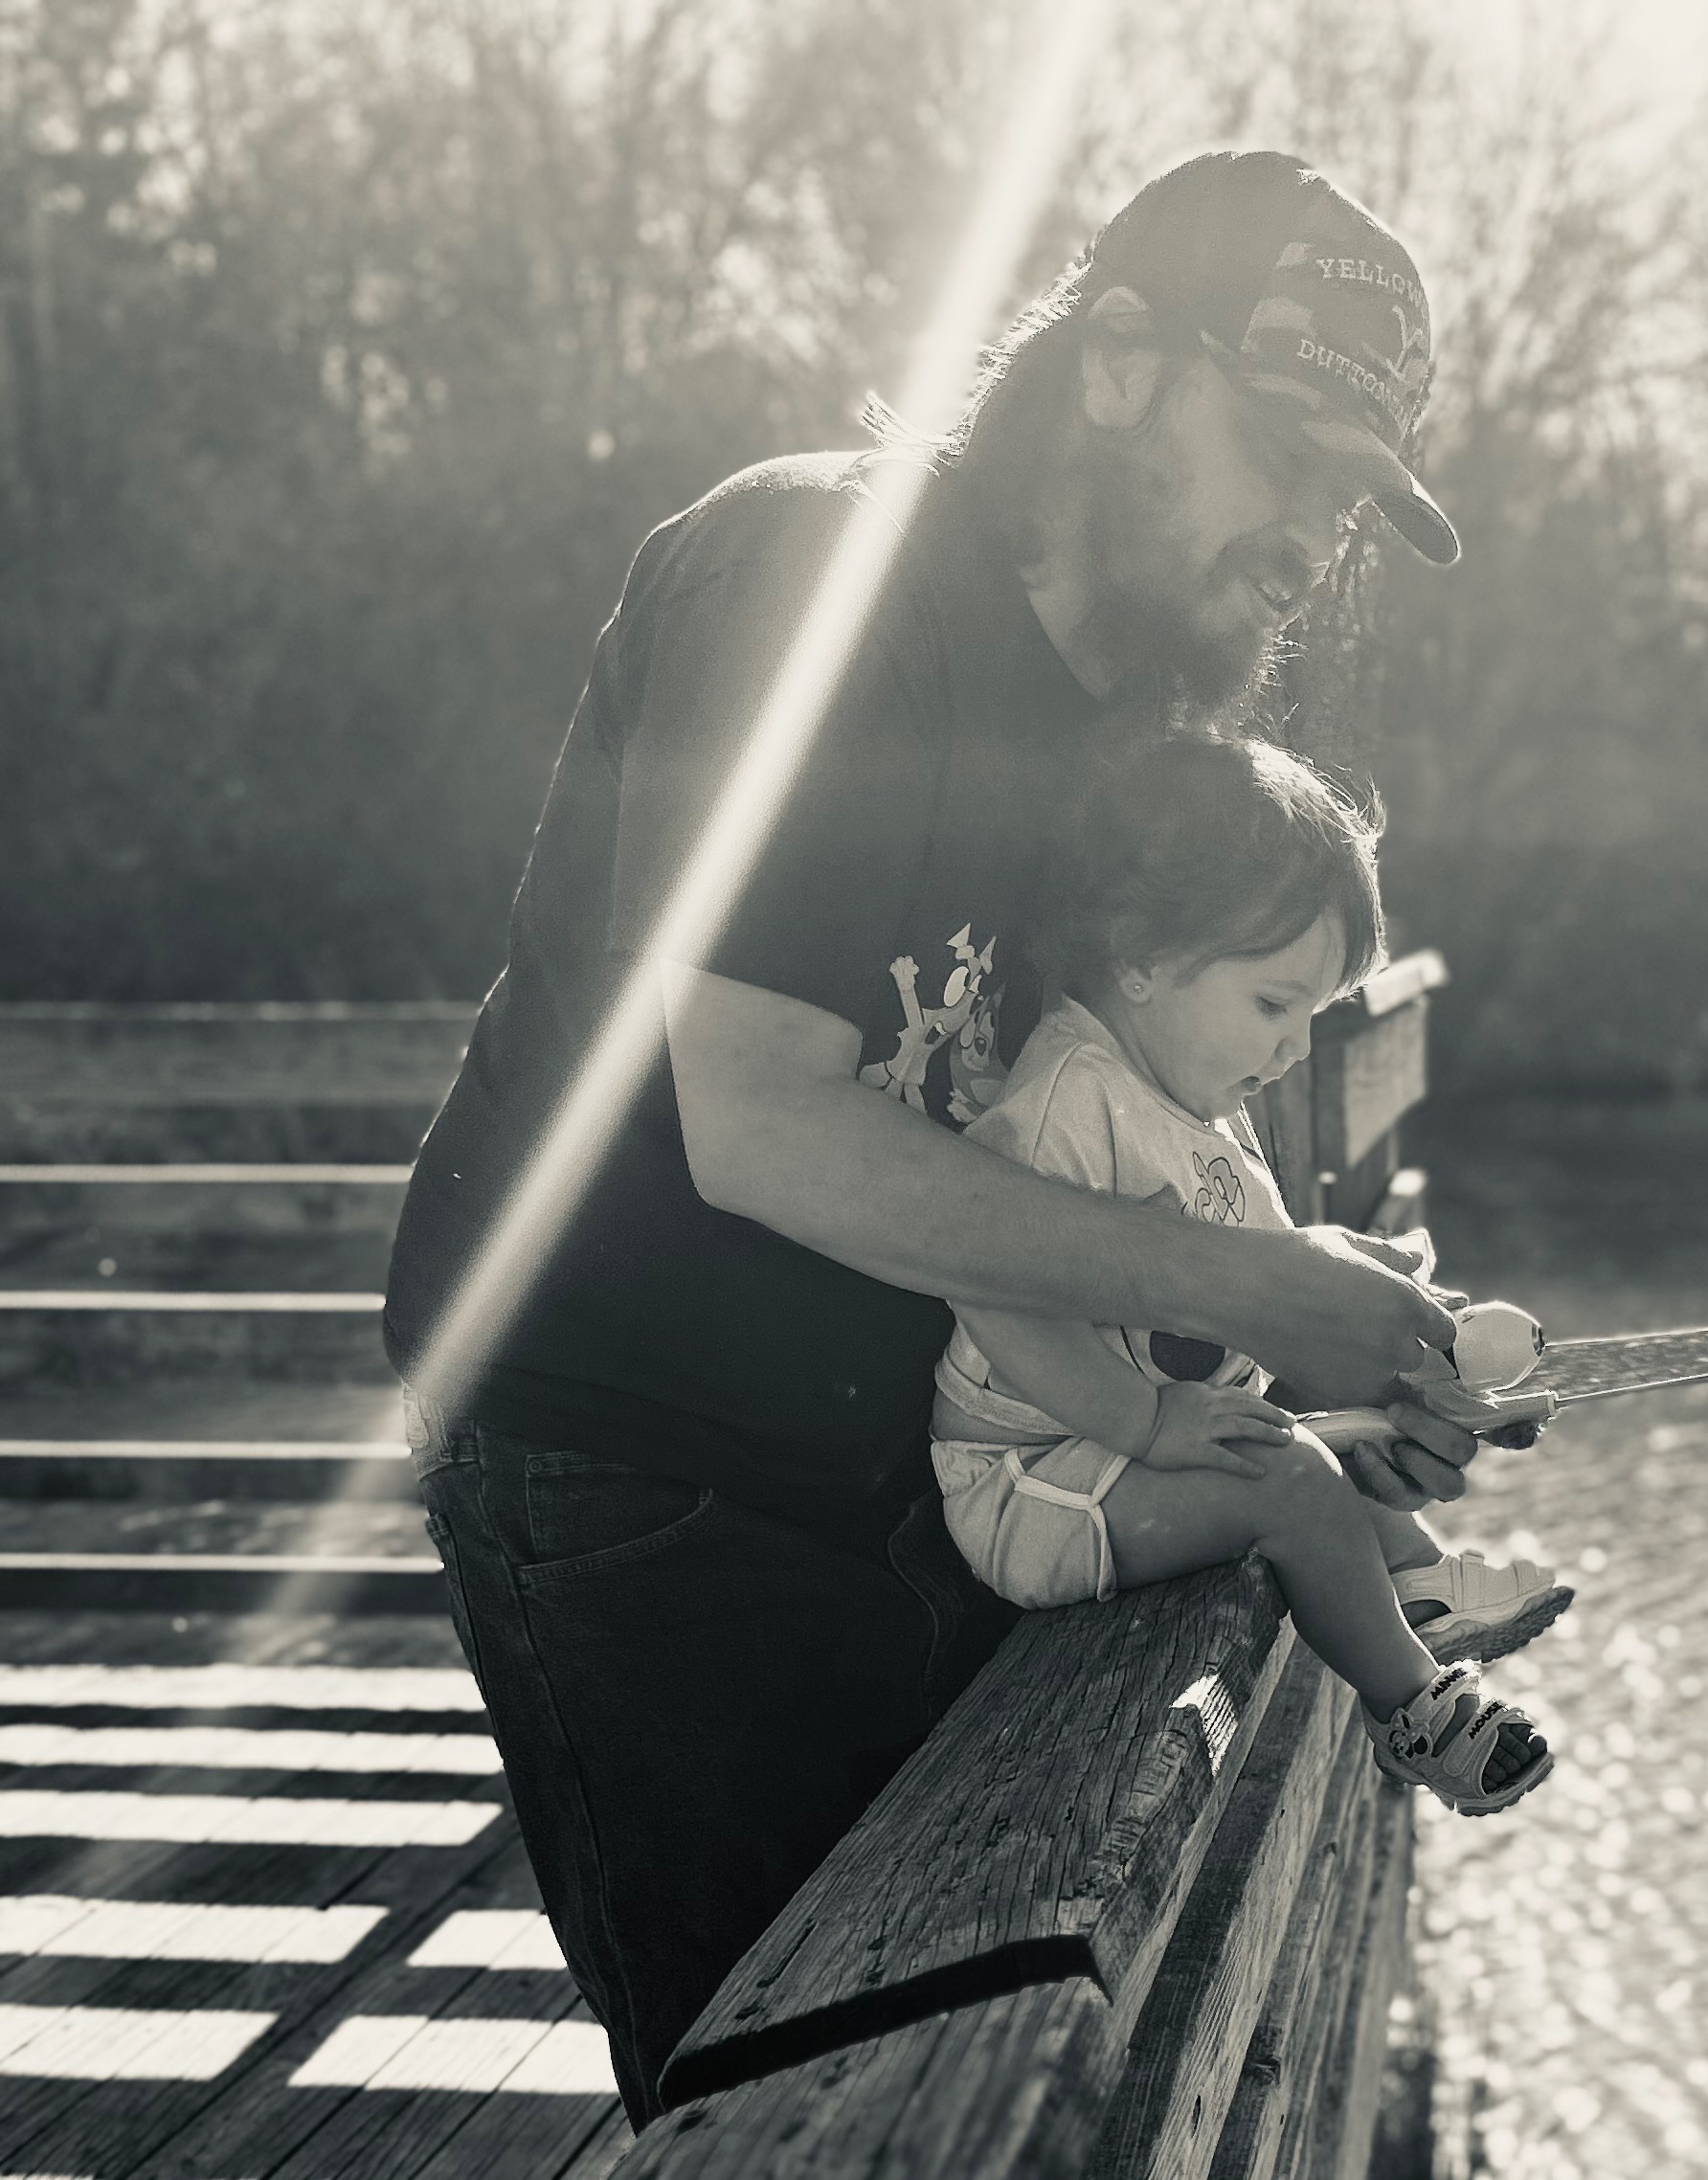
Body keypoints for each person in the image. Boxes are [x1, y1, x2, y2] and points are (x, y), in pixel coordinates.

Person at [381, 151, 1494, 2124]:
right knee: (782, 2096)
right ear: (1120, 365)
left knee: (963, 2022)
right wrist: (1259, 1285)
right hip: (629, 1451)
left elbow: (1097, 1140)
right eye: (1291, 458)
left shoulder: (1118, 734)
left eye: (1349, 504)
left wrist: (1322, 1390)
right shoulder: (811, 586)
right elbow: (758, 1125)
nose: (1312, 543)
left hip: (902, 1432)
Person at [932, 730, 1566, 1816]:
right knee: (1292, 1477)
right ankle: (1416, 1708)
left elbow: (1265, 1271)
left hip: (1115, 1452)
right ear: (1140, 956)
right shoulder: (1068, 1103)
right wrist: (1144, 1420)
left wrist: (1402, 1327)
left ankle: (1414, 1580)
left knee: (1325, 1436)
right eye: (1274, 1005)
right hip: (1034, 1482)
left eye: (1313, 1014)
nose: (1296, 1049)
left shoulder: (1190, 1089)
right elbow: (986, 1280)